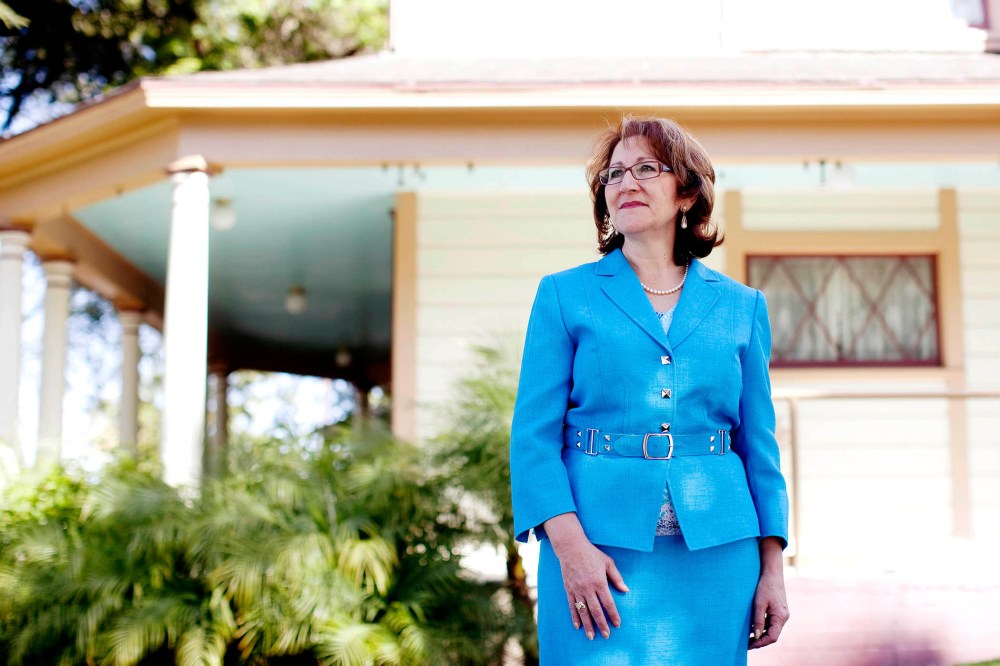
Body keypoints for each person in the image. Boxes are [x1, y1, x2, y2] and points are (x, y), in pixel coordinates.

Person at [509, 116, 790, 665]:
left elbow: (760, 448)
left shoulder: (742, 307)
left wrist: (773, 569)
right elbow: (532, 439)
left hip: (719, 556)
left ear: (687, 193)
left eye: (646, 169)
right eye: (614, 174)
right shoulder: (564, 295)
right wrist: (571, 550)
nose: (626, 183)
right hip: (596, 550)